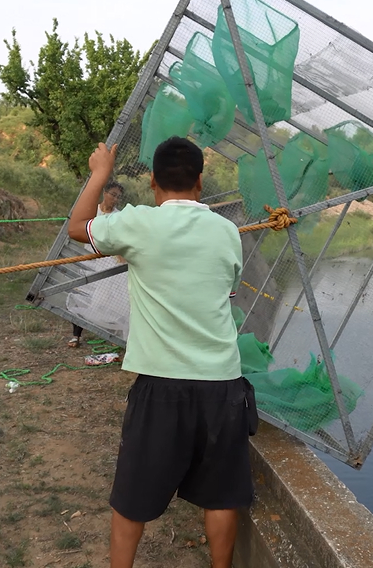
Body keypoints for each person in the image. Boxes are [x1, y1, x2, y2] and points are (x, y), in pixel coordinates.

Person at [67, 138, 251, 568]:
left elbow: (78, 228)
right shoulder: (227, 231)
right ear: (200, 181)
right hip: (223, 385)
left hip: (162, 386)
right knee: (221, 496)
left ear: (152, 181)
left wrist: (100, 173)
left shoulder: (137, 223)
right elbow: (225, 293)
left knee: (132, 497)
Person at [67, 180, 126, 347]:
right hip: (88, 259)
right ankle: (76, 335)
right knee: (82, 294)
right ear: (104, 193)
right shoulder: (92, 210)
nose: (115, 199)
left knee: (108, 298)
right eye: (113, 195)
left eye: (118, 197)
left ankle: (116, 334)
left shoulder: (118, 216)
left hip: (107, 261)